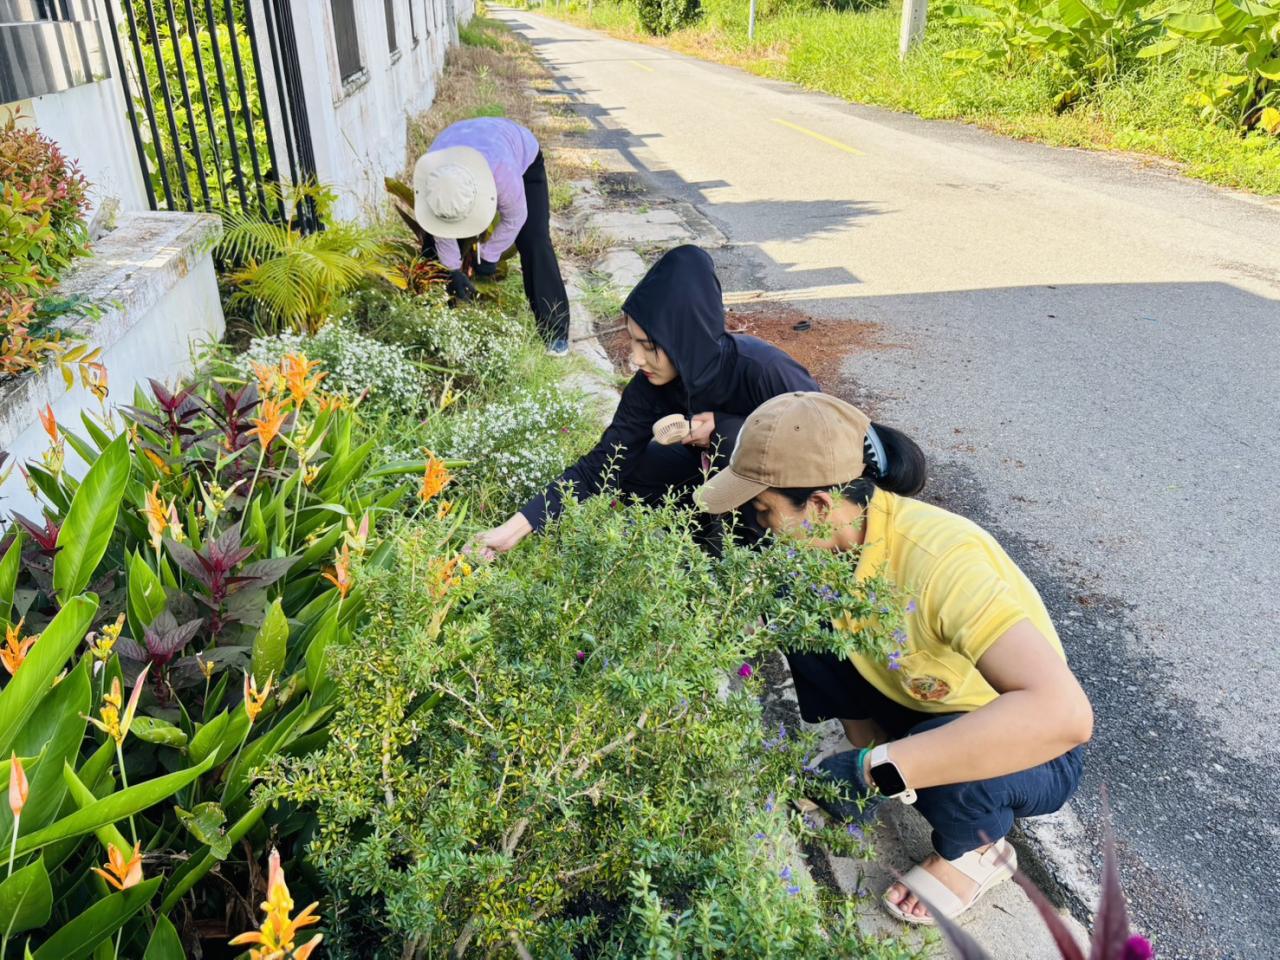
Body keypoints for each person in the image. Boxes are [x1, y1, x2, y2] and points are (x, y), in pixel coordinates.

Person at [694, 392, 1092, 926]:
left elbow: (1064, 715)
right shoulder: (838, 544)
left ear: (819, 507)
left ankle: (978, 852)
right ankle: (882, 756)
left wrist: (874, 772)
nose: (758, 525)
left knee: (947, 783)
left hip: (1025, 740)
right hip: (917, 701)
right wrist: (872, 756)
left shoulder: (940, 561)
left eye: (764, 511)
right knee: (794, 599)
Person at [474, 245, 818, 556]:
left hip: (780, 496)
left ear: (685, 338)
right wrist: (511, 531)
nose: (636, 359)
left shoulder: (762, 370)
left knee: (732, 442)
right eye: (633, 341)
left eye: (649, 346)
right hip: (706, 480)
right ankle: (697, 540)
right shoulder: (650, 385)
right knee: (628, 468)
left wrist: (727, 427)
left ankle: (753, 555)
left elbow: (825, 440)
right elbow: (600, 466)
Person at [413, 117, 571, 355]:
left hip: (519, 154)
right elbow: (439, 225)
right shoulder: (433, 181)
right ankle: (434, 322)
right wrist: (452, 269)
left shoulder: (503, 173)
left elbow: (516, 217)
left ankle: (555, 333)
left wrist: (489, 256)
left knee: (534, 240)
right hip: (460, 143)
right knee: (432, 247)